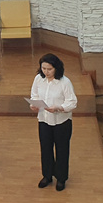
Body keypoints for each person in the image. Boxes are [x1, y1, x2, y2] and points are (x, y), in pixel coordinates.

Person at [30, 53, 77, 191]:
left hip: (61, 121)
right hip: (44, 120)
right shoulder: (38, 79)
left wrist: (59, 107)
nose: (46, 72)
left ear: (56, 68)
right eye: (43, 68)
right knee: (45, 149)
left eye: (49, 69)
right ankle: (47, 175)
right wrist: (34, 105)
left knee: (62, 150)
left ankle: (61, 178)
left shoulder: (65, 82)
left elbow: (72, 102)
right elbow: (34, 95)